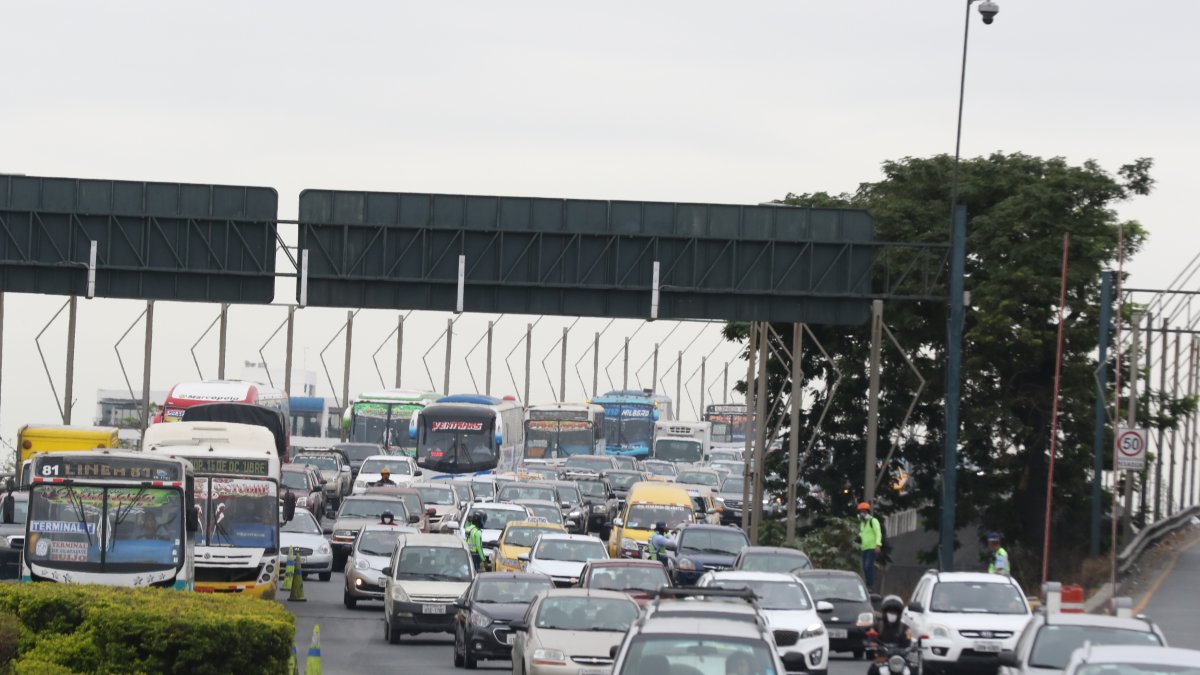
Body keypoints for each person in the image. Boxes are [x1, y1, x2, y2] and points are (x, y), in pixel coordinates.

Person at [857, 502, 882, 591]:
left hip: (872, 547)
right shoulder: (862, 524)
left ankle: (870, 585)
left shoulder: (873, 521)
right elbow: (862, 534)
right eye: (860, 512)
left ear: (868, 512)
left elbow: (878, 533)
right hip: (864, 548)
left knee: (868, 566)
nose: (861, 514)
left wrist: (878, 545)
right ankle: (868, 584)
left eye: (864, 512)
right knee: (864, 567)